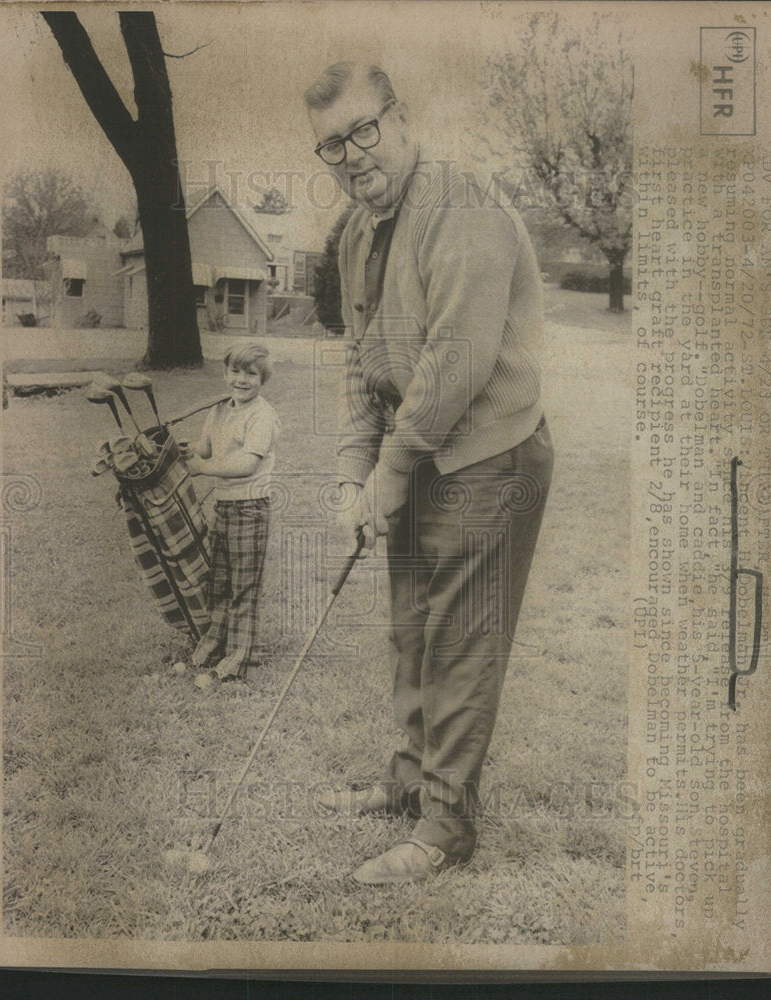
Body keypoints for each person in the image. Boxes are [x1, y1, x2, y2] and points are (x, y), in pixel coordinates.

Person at [304, 62, 554, 884]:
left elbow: (457, 360)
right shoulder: (353, 234)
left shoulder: (464, 206)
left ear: (399, 117)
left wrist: (392, 466)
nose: (350, 155)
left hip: (488, 455)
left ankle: (445, 826)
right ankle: (409, 785)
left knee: (458, 639)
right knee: (409, 626)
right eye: (331, 144)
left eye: (362, 131)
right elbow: (360, 360)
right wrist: (352, 474)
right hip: (415, 452)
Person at [183, 342, 281, 689]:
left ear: (262, 378)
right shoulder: (220, 411)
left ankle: (240, 659)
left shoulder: (262, 415)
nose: (242, 379)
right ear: (226, 373)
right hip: (223, 507)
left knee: (243, 587)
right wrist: (180, 449)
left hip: (250, 509)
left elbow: (245, 464)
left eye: (251, 373)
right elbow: (205, 448)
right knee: (219, 583)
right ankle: (214, 646)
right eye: (235, 371)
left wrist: (203, 468)